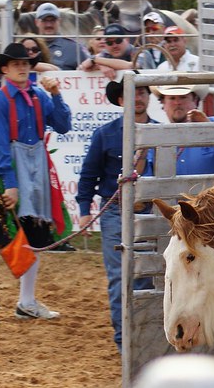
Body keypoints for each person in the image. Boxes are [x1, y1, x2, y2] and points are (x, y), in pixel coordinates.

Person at [0, 43, 72, 325]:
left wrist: (56, 94)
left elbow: (64, 125)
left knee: (34, 234)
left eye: (26, 62)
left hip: (36, 165)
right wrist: (10, 183)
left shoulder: (40, 96)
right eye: (16, 63)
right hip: (11, 167)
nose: (23, 66)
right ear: (4, 69)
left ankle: (27, 301)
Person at [76, 79, 156, 350]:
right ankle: (125, 338)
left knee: (147, 273)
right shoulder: (105, 134)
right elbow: (88, 175)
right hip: (114, 211)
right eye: (133, 93)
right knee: (120, 275)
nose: (139, 97)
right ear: (121, 100)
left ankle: (143, 333)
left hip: (151, 210)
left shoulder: (161, 131)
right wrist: (85, 211)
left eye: (142, 91)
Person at [152, 84, 214, 174]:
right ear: (163, 104)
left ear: (195, 101)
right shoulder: (158, 137)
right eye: (172, 98)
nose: (177, 102)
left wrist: (209, 128)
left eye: (183, 97)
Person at [79, 23, 156, 78]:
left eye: (118, 41)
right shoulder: (105, 55)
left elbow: (131, 66)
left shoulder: (141, 52)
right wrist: (100, 66)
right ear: (105, 44)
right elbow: (83, 68)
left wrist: (95, 60)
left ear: (127, 40)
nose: (114, 45)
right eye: (109, 43)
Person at [34, 2, 89, 70]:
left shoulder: (75, 48)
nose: (49, 25)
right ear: (36, 22)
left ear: (59, 21)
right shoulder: (30, 47)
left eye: (53, 20)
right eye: (44, 20)